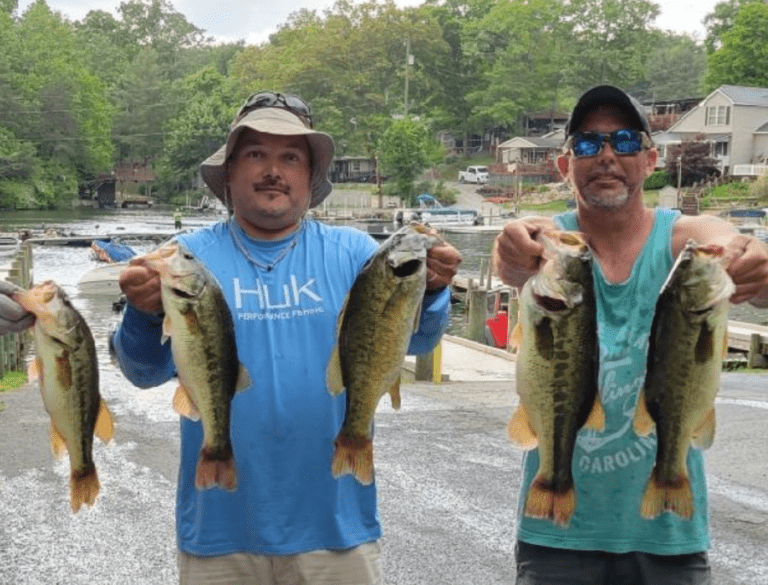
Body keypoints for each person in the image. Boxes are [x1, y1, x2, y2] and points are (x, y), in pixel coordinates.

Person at [110, 91, 462, 585]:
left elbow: (419, 342)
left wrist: (433, 292)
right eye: (256, 154)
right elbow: (143, 372)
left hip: (336, 535)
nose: (273, 171)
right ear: (228, 173)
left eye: (291, 157)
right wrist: (143, 315)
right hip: (218, 538)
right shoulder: (181, 260)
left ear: (311, 177)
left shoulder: (357, 254)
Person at [494, 85, 768, 585]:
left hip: (668, 537)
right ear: (564, 165)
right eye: (586, 143)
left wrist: (746, 257)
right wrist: (512, 246)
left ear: (650, 159)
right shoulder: (552, 249)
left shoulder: (682, 243)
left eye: (623, 141)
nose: (606, 155)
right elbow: (515, 254)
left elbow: (719, 237)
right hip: (556, 539)